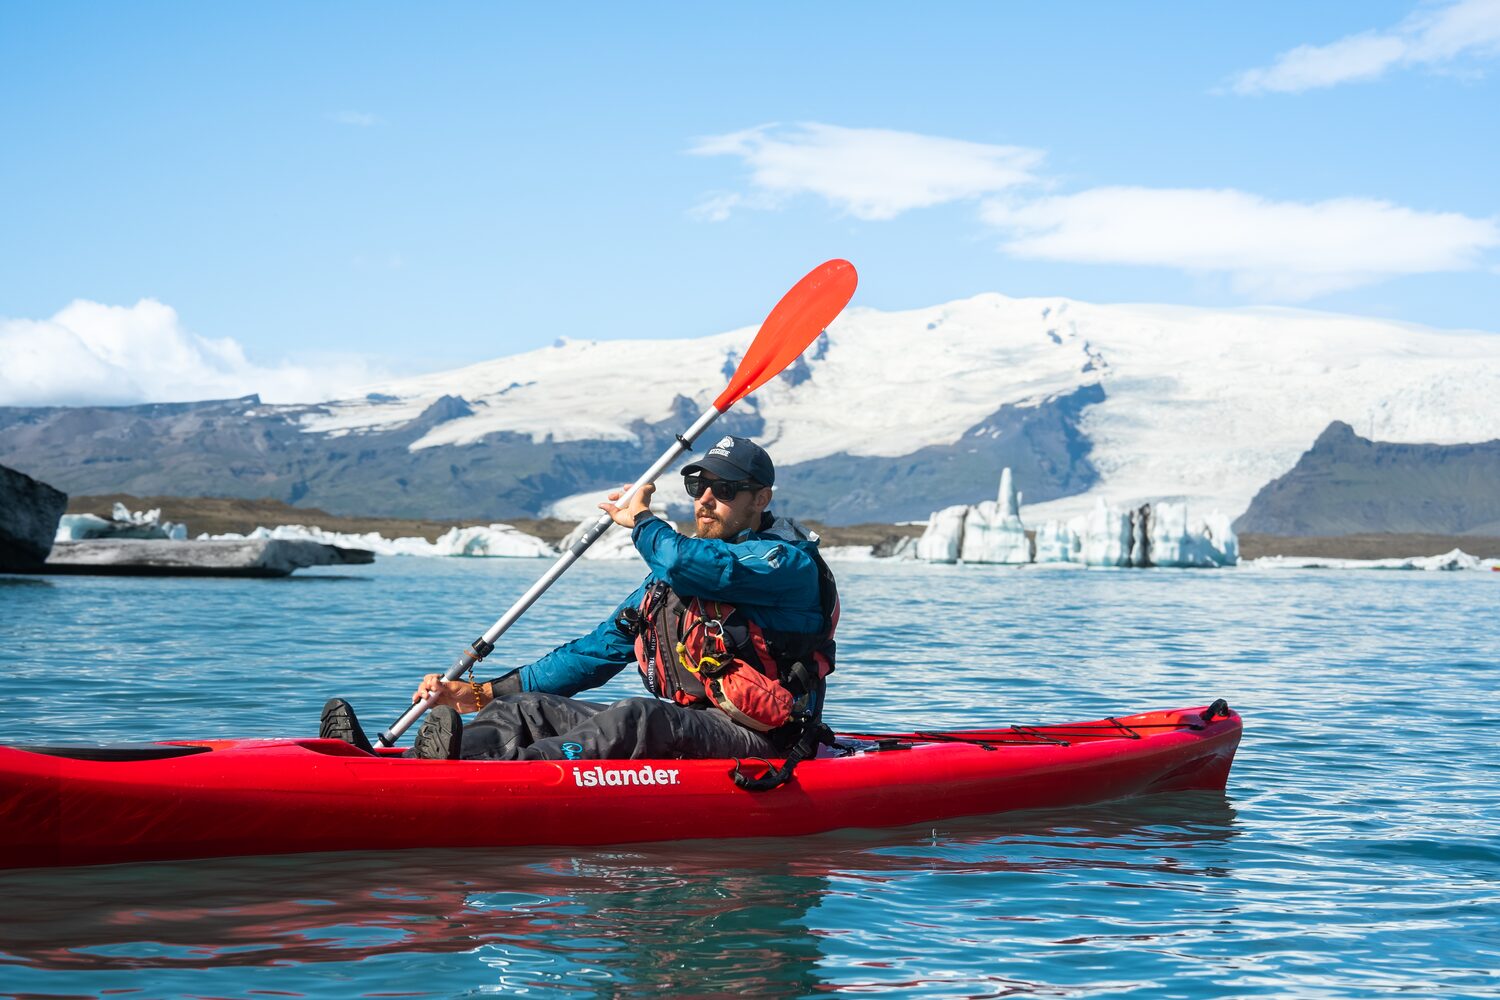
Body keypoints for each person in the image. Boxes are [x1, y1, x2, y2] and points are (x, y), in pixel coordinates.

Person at [320, 435, 837, 763]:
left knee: (639, 717)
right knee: (525, 711)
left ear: (760, 499)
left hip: (762, 738)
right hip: (698, 726)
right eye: (697, 484)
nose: (705, 499)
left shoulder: (784, 564)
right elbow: (591, 654)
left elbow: (687, 562)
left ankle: (502, 776)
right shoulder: (671, 584)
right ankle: (415, 764)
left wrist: (640, 520)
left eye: (725, 490)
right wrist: (481, 696)